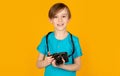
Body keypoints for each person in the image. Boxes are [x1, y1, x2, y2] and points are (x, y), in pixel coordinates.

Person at [36, 3, 82, 76]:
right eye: (56, 17)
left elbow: (78, 66)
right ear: (50, 20)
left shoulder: (74, 40)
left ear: (68, 19)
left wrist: (61, 65)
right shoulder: (46, 39)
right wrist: (47, 61)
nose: (60, 20)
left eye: (63, 16)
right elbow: (38, 64)